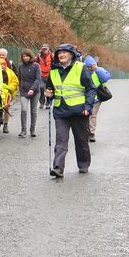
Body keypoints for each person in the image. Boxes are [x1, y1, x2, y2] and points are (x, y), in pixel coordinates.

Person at [44, 43, 96, 177]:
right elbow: (50, 88)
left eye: (64, 52)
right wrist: (49, 94)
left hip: (79, 112)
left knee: (81, 141)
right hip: (61, 111)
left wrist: (88, 107)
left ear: (71, 54)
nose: (61, 55)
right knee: (61, 140)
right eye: (59, 53)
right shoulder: (54, 71)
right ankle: (58, 168)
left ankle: (84, 164)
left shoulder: (80, 68)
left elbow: (91, 88)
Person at [84, 55, 111, 143]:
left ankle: (91, 133)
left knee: (92, 116)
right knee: (86, 115)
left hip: (96, 99)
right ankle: (87, 133)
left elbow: (105, 78)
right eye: (88, 66)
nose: (90, 68)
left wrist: (97, 69)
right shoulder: (83, 72)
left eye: (91, 66)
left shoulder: (98, 71)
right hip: (85, 98)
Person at [17, 49, 42, 138]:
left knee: (33, 111)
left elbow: (38, 79)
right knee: (24, 110)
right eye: (23, 56)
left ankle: (32, 130)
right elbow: (19, 78)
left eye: (27, 56)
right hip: (24, 91)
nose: (25, 58)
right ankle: (23, 130)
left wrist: (32, 89)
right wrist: (20, 87)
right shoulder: (20, 66)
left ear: (30, 56)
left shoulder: (36, 66)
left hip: (35, 91)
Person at [0, 54, 19, 134]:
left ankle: (5, 124)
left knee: (6, 108)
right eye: (0, 64)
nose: (2, 66)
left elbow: (15, 81)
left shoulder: (10, 72)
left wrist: (9, 89)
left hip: (7, 93)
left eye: (3, 64)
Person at [37, 44, 53, 108]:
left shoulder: (51, 56)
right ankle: (41, 102)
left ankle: (48, 103)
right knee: (41, 88)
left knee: (49, 89)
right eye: (43, 49)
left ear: (48, 49)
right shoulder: (39, 56)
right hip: (41, 74)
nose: (44, 50)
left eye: (45, 49)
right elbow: (35, 63)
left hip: (49, 74)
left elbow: (55, 63)